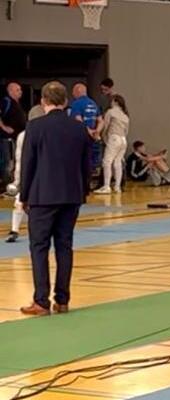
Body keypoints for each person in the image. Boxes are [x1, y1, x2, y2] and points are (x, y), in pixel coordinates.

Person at [19, 81, 92, 316]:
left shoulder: (35, 126)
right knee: (64, 246)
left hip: (42, 196)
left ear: (43, 102)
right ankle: (63, 300)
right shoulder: (79, 128)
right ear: (66, 102)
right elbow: (86, 165)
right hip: (71, 196)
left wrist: (24, 194)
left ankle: (41, 301)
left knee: (39, 247)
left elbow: (28, 164)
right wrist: (83, 191)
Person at [7, 107, 48, 243]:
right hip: (33, 174)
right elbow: (20, 159)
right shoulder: (24, 136)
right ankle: (14, 230)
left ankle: (39, 229)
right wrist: (17, 181)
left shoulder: (45, 133)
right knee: (20, 201)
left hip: (42, 175)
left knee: (39, 205)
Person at [94, 95, 130, 195]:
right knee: (117, 163)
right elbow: (126, 131)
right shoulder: (125, 115)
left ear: (115, 101)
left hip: (114, 138)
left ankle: (106, 186)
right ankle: (117, 187)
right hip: (123, 139)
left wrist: (103, 137)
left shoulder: (111, 112)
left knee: (107, 162)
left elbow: (105, 126)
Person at [1, 82, 27, 185]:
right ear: (10, 91)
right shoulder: (5, 101)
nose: (20, 92)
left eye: (20, 89)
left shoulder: (17, 104)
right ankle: (5, 186)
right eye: (17, 90)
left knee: (14, 162)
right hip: (7, 139)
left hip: (16, 138)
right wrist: (4, 127)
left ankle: (11, 184)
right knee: (8, 163)